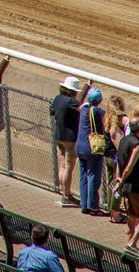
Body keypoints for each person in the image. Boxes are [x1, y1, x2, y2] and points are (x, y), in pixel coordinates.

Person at [115, 116, 139, 248]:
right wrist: (120, 181)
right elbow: (129, 167)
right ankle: (132, 244)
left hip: (126, 186)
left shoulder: (123, 140)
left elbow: (119, 163)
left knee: (132, 215)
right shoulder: (137, 145)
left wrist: (118, 179)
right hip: (137, 186)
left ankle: (130, 242)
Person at [76, 89, 111, 215]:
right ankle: (94, 207)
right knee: (93, 176)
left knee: (83, 175)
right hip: (92, 147)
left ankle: (84, 205)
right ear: (100, 100)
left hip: (80, 146)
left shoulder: (84, 108)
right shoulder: (99, 111)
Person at [50, 75, 82, 206]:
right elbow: (83, 108)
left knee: (63, 163)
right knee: (69, 165)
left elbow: (52, 111)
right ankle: (66, 195)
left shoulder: (57, 98)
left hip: (58, 135)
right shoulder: (71, 101)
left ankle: (63, 191)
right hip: (70, 137)